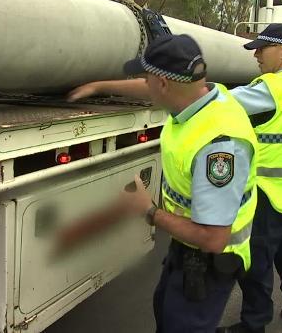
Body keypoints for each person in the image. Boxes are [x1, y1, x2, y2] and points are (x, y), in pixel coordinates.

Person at [79, 34, 259, 333]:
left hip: (210, 260)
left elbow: (214, 238)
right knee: (164, 310)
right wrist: (99, 86)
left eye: (148, 78)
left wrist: (148, 210)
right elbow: (150, 87)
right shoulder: (209, 95)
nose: (145, 84)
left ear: (163, 84)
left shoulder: (218, 147)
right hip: (187, 248)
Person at [216, 23, 282, 333]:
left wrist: (193, 85)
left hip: (266, 191)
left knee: (256, 261)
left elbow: (221, 102)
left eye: (263, 49)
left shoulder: (273, 88)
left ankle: (254, 324)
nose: (257, 55)